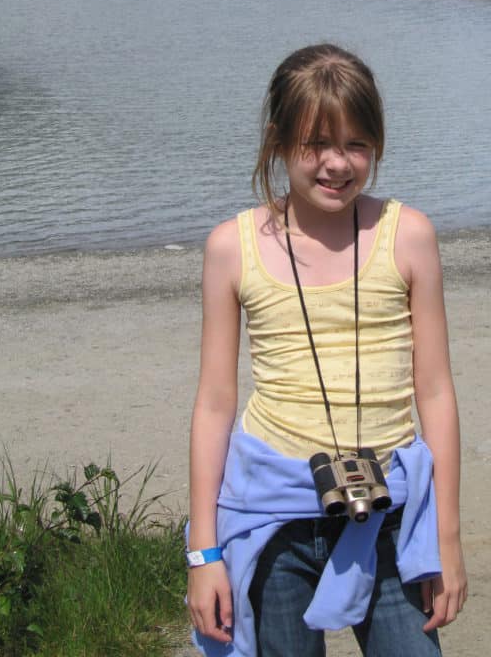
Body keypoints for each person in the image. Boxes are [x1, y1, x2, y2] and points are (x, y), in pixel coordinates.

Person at [187, 43, 467, 657]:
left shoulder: (408, 236)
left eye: (357, 145)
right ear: (278, 142)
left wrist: (446, 534)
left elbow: (436, 393)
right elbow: (214, 404)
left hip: (391, 517)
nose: (337, 164)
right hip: (274, 520)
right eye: (316, 144)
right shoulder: (232, 247)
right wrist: (203, 551)